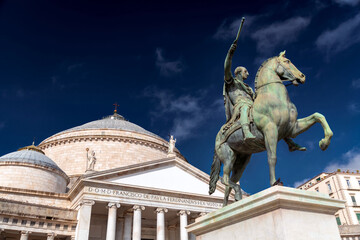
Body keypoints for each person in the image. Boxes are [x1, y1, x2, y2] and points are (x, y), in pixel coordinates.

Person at [223, 43, 255, 141]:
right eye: (245, 71)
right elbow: (227, 68)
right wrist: (230, 53)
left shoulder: (249, 88)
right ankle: (246, 132)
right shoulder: (232, 82)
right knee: (244, 108)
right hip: (241, 105)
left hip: (253, 105)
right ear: (238, 73)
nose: (248, 74)